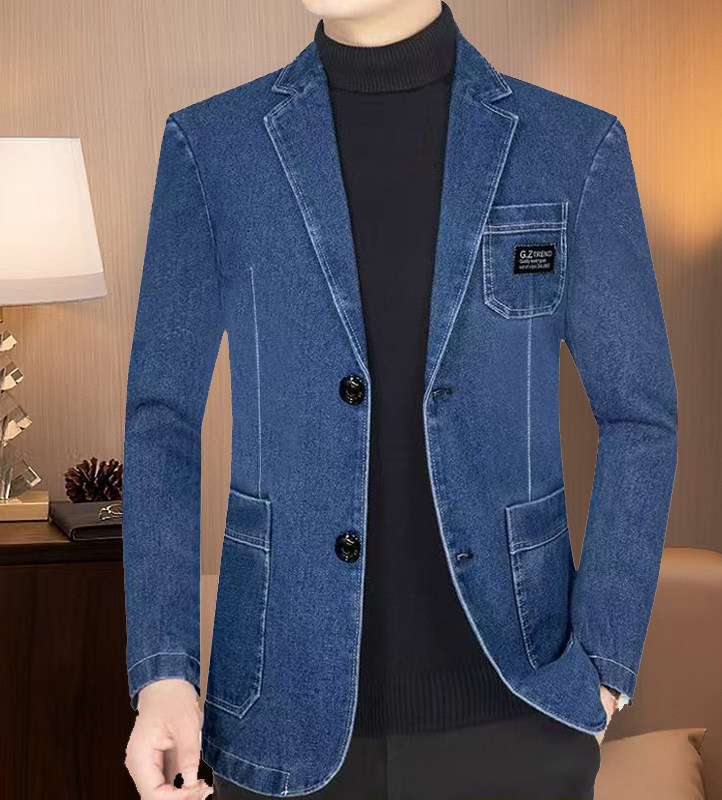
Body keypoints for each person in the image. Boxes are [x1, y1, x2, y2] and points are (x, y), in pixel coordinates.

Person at [121, 1, 678, 798]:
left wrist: (604, 666)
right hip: (280, 717)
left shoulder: (569, 147)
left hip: (520, 711)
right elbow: (162, 423)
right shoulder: (214, 148)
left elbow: (639, 416)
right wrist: (164, 675)